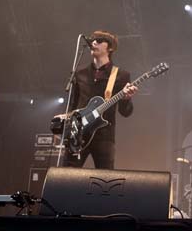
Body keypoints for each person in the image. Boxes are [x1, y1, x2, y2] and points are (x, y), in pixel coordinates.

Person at [59, 30, 137, 169]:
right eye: (93, 40)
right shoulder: (79, 73)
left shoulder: (120, 75)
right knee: (67, 175)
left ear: (110, 48)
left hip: (104, 136)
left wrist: (126, 99)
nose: (94, 42)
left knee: (105, 180)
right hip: (78, 134)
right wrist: (67, 125)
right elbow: (73, 104)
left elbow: (125, 112)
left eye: (100, 40)